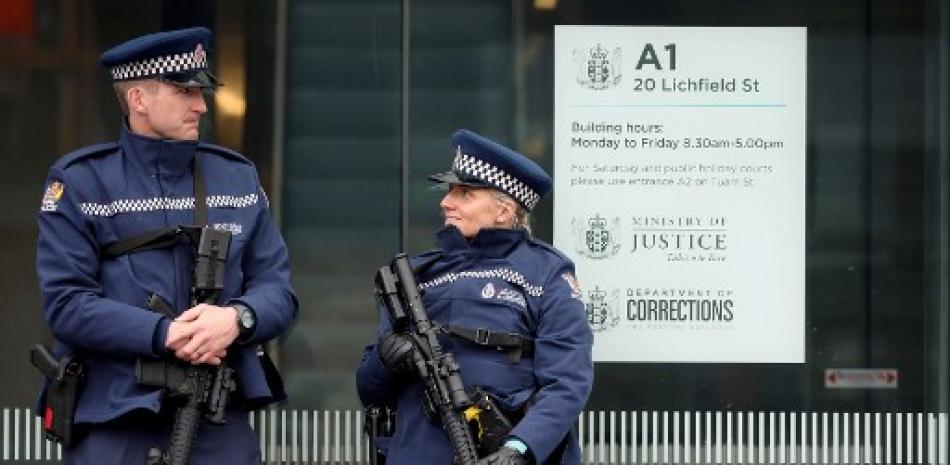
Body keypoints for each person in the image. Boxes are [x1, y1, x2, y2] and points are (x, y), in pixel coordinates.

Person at [35, 27, 297, 465]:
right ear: (138, 99)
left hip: (218, 418)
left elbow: (279, 292)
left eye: (202, 92)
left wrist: (237, 318)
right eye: (185, 91)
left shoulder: (236, 177)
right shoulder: (80, 181)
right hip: (115, 417)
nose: (202, 104)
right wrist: (166, 334)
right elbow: (66, 304)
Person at [356, 129, 593, 465]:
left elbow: (568, 382)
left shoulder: (547, 273)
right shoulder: (415, 278)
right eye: (449, 191)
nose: (445, 202)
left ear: (504, 211)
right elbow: (369, 391)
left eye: (464, 193)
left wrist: (520, 449)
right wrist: (386, 357)